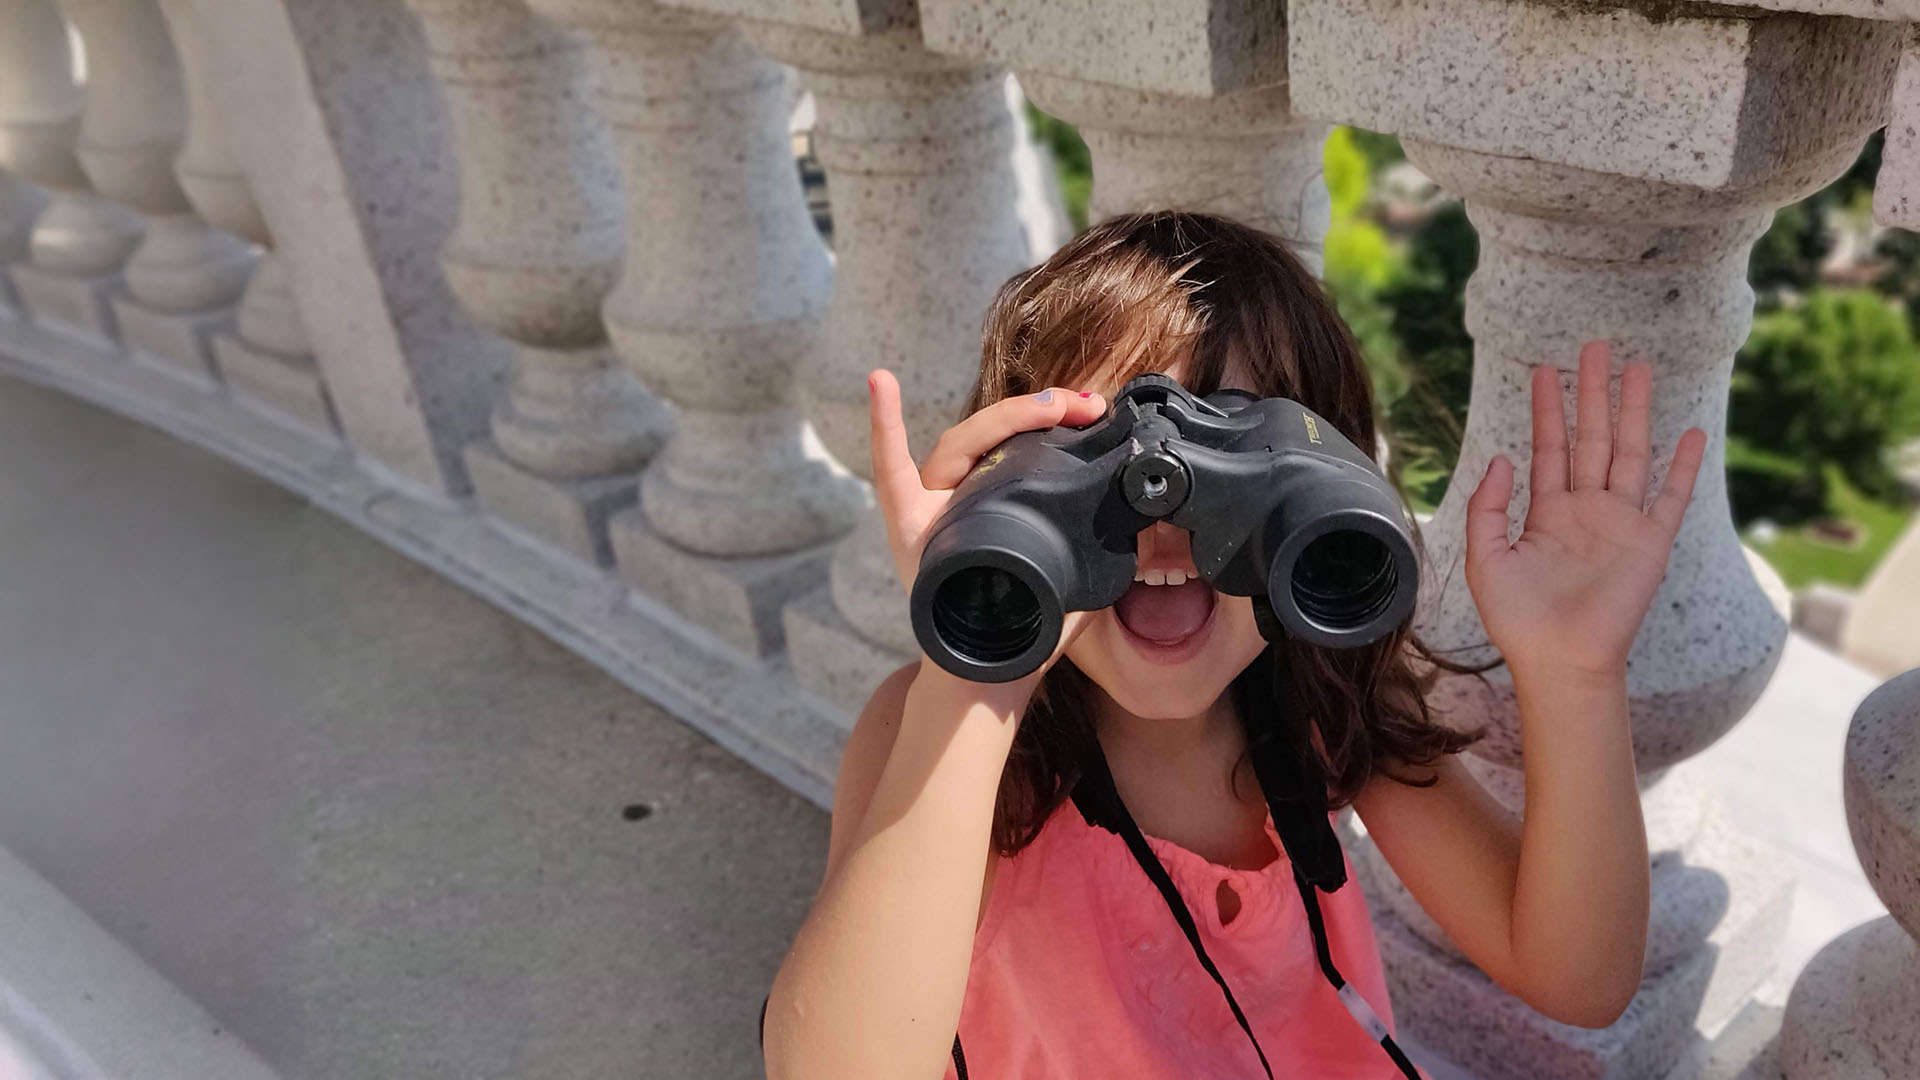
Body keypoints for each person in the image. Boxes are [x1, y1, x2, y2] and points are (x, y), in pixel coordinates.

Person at [761, 210, 1705, 1079]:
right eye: (1095, 461)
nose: (1160, 523)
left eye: (1236, 454)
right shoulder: (938, 734)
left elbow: (1578, 980)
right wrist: (984, 639)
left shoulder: (1319, 704)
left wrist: (1575, 676)